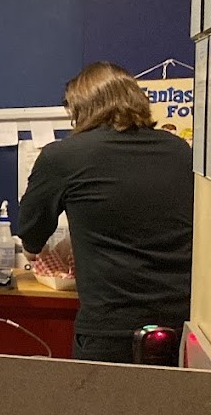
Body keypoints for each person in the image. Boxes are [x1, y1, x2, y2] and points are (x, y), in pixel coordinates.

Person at [16, 61, 193, 363]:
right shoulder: (179, 150)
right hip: (181, 326)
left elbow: (31, 237)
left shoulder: (63, 156)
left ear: (81, 108)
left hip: (109, 329)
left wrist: (42, 251)